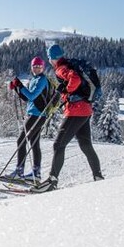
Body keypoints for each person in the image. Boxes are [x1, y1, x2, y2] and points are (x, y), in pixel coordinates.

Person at [35, 44, 104, 192]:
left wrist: (66, 89)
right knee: (85, 145)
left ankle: (52, 181)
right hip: (85, 109)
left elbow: (75, 79)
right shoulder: (69, 64)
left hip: (76, 111)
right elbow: (76, 79)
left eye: (49, 59)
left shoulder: (61, 68)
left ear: (52, 58)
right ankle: (98, 177)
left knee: (58, 145)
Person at [5, 56, 52, 182]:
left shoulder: (42, 80)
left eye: (39, 66)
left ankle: (19, 171)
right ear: (31, 67)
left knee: (21, 140)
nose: (37, 68)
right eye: (34, 66)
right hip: (35, 114)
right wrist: (17, 88)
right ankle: (35, 173)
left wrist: (20, 85)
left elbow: (31, 96)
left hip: (38, 115)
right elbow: (27, 98)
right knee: (34, 143)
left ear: (43, 67)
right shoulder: (34, 80)